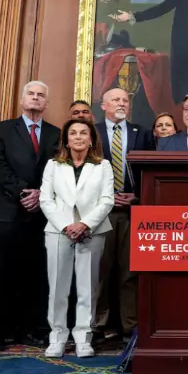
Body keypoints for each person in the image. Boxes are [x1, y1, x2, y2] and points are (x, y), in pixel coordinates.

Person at [0, 81, 60, 351]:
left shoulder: (56, 134)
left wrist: (41, 194)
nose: (36, 98)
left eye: (41, 95)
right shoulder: (3, 129)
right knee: (2, 273)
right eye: (31, 94)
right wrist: (23, 192)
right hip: (8, 211)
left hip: (42, 214)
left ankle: (30, 330)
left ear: (46, 103)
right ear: (22, 99)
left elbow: (59, 171)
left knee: (35, 275)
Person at [40, 119, 114, 358]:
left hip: (92, 231)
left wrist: (84, 224)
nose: (79, 137)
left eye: (84, 132)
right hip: (58, 230)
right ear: (66, 139)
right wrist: (65, 225)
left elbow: (107, 201)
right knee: (58, 288)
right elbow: (45, 200)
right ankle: (57, 337)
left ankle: (84, 338)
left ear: (91, 138)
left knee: (87, 287)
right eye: (73, 133)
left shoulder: (103, 166)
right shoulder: (53, 165)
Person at [93, 88, 154, 343]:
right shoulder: (91, 132)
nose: (121, 104)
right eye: (115, 100)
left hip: (132, 211)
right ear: (103, 105)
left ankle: (131, 325)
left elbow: (150, 170)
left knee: (130, 271)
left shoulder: (142, 133)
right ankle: (97, 325)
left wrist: (137, 195)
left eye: (125, 101)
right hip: (100, 212)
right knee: (100, 272)